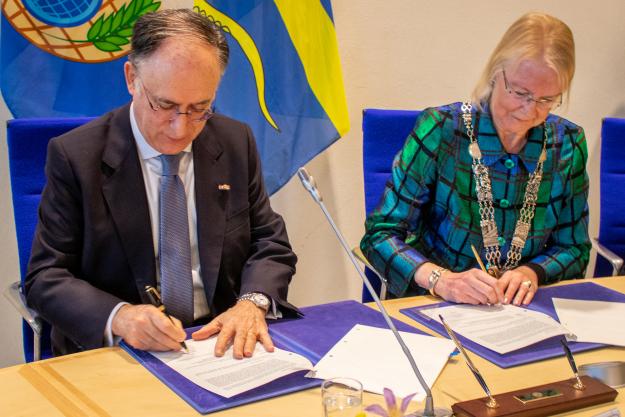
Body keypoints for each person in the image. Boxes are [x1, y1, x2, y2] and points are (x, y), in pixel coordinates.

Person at [25, 9, 298, 358]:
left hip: (218, 344)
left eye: (200, 108)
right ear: (131, 78)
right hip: (122, 352)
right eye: (164, 105)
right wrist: (121, 317)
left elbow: (269, 241)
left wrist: (251, 302)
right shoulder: (76, 157)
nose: (180, 129)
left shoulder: (234, 141)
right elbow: (46, 276)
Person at [360, 12, 590, 306]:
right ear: (496, 73)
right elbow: (379, 236)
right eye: (520, 92)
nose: (529, 110)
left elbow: (575, 248)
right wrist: (441, 279)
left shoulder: (567, 143)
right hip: (438, 303)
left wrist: (532, 271)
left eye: (547, 100)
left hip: (521, 311)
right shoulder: (442, 129)